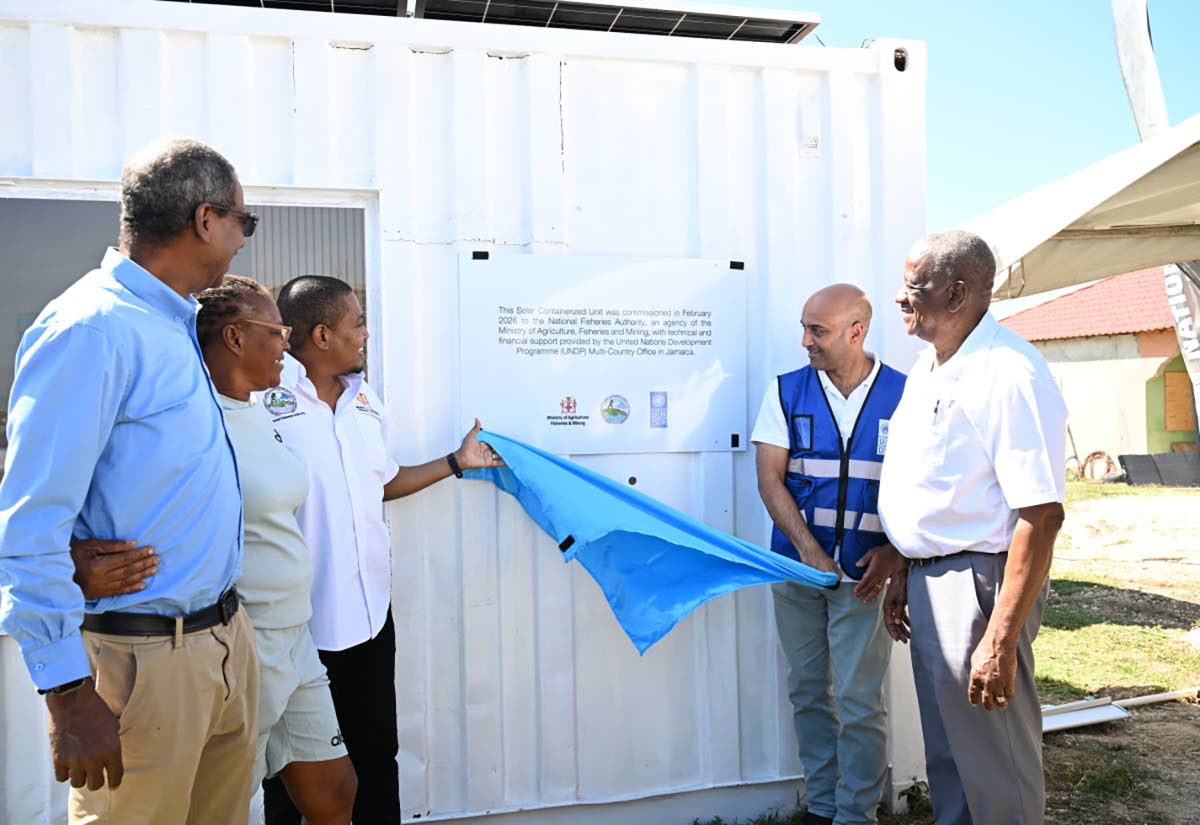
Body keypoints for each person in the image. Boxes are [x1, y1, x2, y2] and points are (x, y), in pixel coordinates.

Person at [0, 137, 258, 824]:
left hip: (222, 645)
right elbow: (30, 517)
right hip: (143, 664)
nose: (241, 240)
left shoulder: (170, 322)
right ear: (205, 220)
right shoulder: (93, 328)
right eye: (243, 222)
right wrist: (66, 691)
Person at [73, 276, 360, 824]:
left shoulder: (259, 410)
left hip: (296, 633)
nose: (286, 343)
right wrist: (68, 559)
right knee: (220, 803)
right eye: (276, 332)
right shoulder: (194, 421)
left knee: (334, 790)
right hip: (241, 638)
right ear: (233, 338)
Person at [262, 275, 503, 825]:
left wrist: (456, 461)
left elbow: (382, 481)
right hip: (296, 629)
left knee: (376, 759)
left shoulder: (366, 398)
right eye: (357, 323)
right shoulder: (263, 401)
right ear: (321, 335)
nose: (366, 334)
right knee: (289, 774)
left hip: (370, 619)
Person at [878, 231, 1067, 825]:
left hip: (982, 585)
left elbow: (1041, 514)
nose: (901, 300)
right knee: (952, 761)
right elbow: (935, 486)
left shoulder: (1007, 373)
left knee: (996, 767)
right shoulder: (929, 366)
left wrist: (1000, 635)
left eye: (914, 288)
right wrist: (912, 565)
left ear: (957, 293)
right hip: (936, 580)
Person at [752, 283, 906, 825]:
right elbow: (770, 480)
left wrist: (894, 553)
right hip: (797, 570)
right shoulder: (786, 391)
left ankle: (855, 814)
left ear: (856, 331)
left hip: (865, 577)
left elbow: (923, 487)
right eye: (804, 328)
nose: (805, 341)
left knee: (862, 702)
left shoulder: (906, 396)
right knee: (808, 692)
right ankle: (822, 808)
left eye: (816, 331)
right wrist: (810, 553)